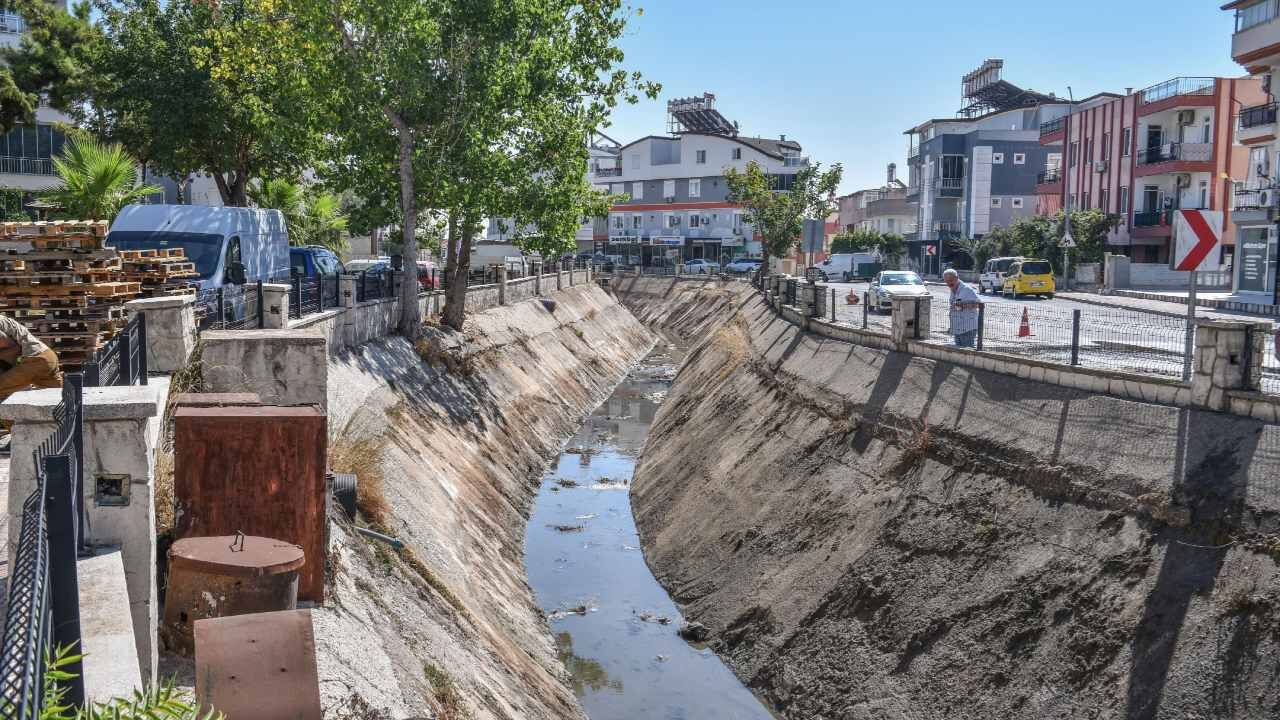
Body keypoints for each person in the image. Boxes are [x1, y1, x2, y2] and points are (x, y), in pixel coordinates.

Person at [0, 313, 63, 434]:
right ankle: (58, 434)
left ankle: (19, 434)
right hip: (47, 357)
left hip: (35, 361)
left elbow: (11, 346)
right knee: (57, 403)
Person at [943, 268, 982, 348]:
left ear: (957, 278)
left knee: (968, 353)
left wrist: (962, 306)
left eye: (950, 280)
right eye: (946, 281)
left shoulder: (966, 289)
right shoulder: (953, 289)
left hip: (967, 329)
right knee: (960, 353)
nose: (949, 283)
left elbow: (979, 304)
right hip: (958, 328)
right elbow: (956, 306)